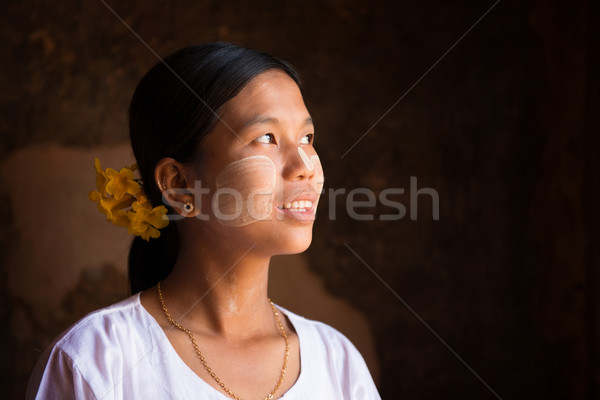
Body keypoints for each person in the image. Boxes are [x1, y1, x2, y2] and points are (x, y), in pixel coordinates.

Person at [27, 42, 381, 400]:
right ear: (180, 186)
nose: (306, 166)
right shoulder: (97, 361)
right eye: (266, 138)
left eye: (307, 137)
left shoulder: (336, 362)